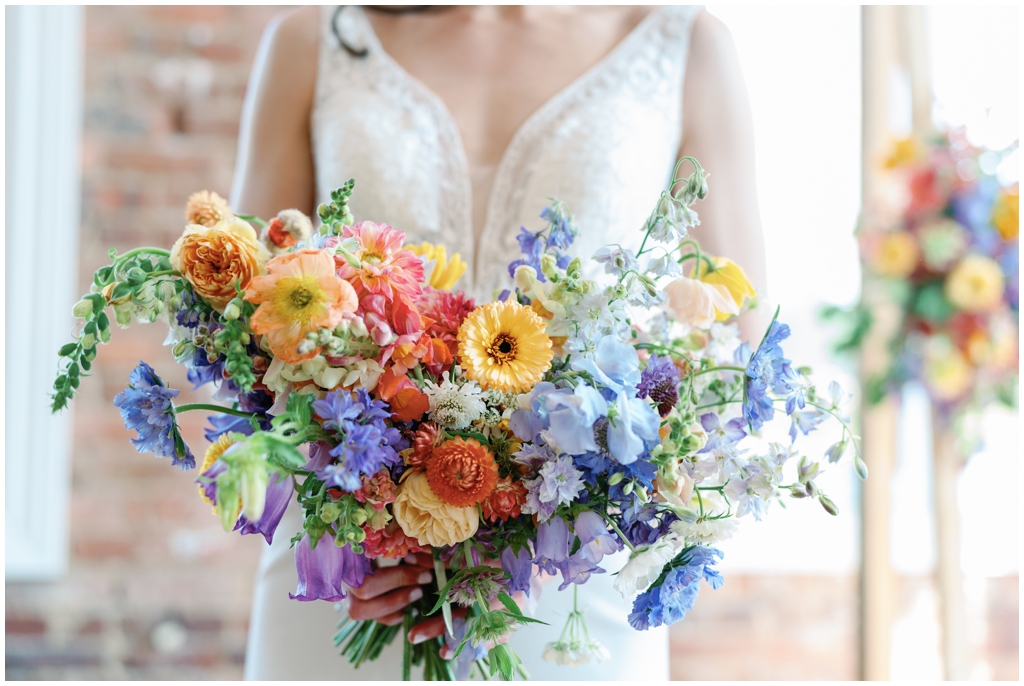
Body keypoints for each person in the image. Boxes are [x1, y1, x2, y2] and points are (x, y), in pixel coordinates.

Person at [230, 5, 766, 680]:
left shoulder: (684, 45)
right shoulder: (316, 41)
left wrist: (528, 532)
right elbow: (244, 322)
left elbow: (731, 353)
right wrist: (373, 522)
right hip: (354, 579)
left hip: (568, 595)